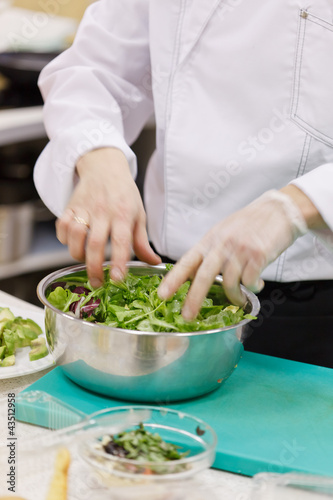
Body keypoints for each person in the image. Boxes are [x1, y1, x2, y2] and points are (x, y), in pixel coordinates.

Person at [34, 0, 333, 367]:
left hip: (310, 304)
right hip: (162, 279)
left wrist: (299, 204)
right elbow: (94, 67)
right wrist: (97, 155)